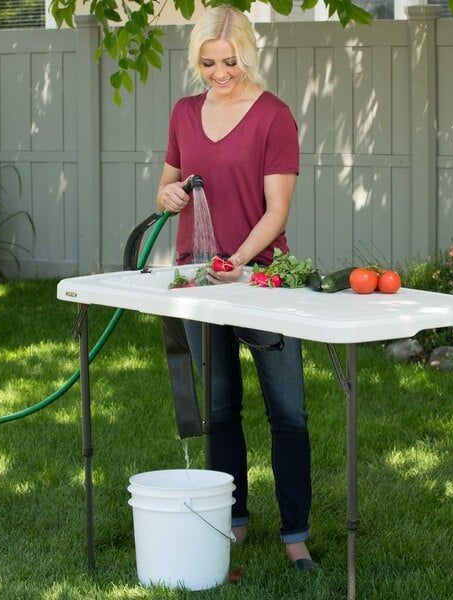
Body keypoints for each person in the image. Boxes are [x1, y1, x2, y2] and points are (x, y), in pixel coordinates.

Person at [155, 6, 318, 573]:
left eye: (229, 62)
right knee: (220, 409)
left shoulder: (273, 116)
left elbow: (277, 211)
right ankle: (234, 523)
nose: (219, 73)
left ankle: (295, 535)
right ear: (196, 60)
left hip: (261, 279)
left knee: (287, 412)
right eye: (208, 63)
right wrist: (168, 197)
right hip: (198, 278)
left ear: (246, 56)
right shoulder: (184, 112)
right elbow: (167, 185)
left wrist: (239, 260)